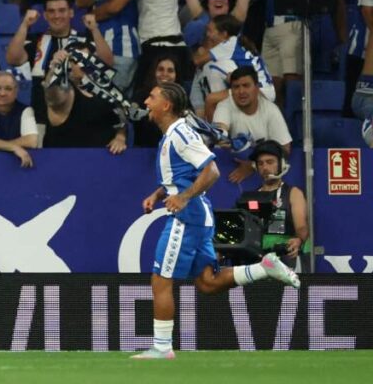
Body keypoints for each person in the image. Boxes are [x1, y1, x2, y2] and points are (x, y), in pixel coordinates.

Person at [131, 81, 299, 360]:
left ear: (166, 105)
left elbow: (212, 172)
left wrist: (182, 198)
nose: (147, 102)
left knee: (160, 279)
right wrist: (158, 193)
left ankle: (161, 347)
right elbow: (182, 176)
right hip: (196, 214)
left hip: (187, 217)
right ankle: (264, 268)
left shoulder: (181, 134)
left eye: (152, 96)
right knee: (208, 283)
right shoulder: (173, 134)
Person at [5, 0, 112, 122]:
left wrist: (94, 29)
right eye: (51, 11)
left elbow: (107, 63)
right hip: (42, 116)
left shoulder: (85, 41)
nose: (56, 16)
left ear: (71, 13)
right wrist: (25, 24)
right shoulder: (36, 42)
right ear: (45, 15)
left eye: (62, 11)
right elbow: (12, 58)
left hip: (80, 116)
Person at [213, 66, 292, 183]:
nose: (241, 92)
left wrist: (252, 165)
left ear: (257, 87)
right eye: (236, 87)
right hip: (228, 170)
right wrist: (221, 136)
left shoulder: (271, 110)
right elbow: (220, 130)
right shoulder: (224, 106)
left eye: (246, 86)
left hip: (264, 175)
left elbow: (285, 149)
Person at [41, 45, 126, 151]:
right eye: (78, 60)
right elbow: (51, 95)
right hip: (65, 158)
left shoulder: (105, 88)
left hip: (102, 158)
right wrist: (55, 68)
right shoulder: (65, 90)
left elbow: (120, 118)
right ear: (69, 64)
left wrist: (120, 137)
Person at [240, 140, 309, 270]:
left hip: (287, 259)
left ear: (282, 165)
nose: (265, 167)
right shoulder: (250, 197)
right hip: (257, 261)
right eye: (260, 164)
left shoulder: (293, 193)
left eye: (270, 162)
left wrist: (299, 239)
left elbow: (301, 226)